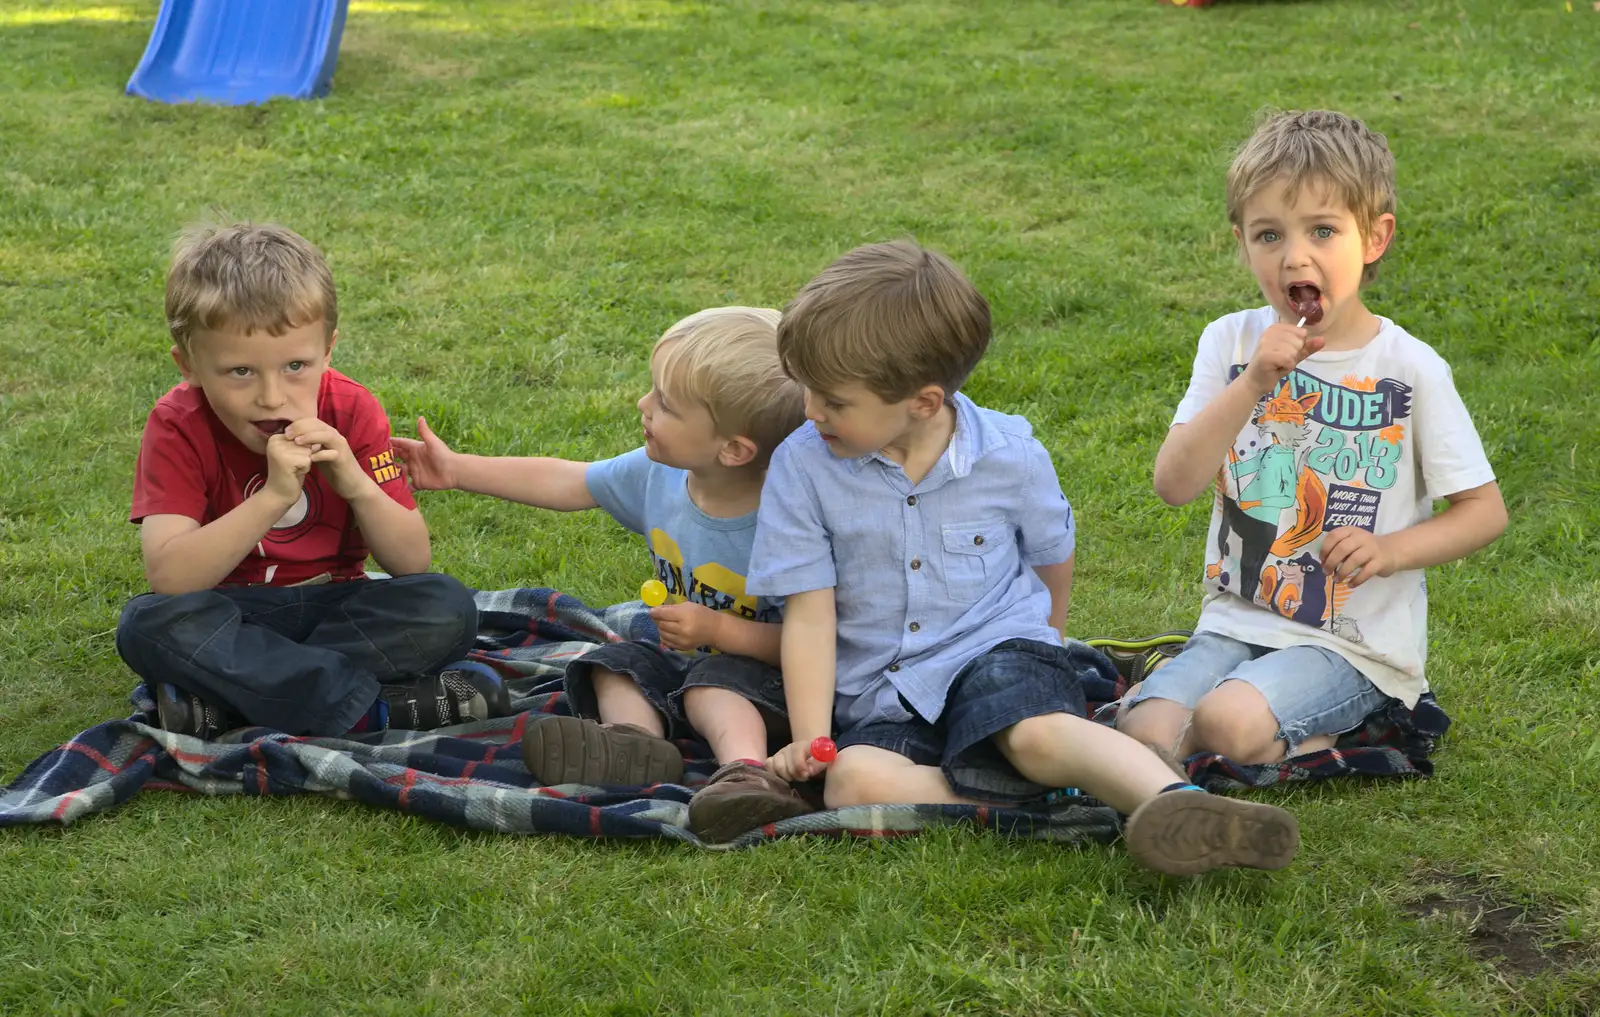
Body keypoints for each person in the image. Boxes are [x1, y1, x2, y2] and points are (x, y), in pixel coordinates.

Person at [745, 240, 1302, 875]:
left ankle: (1179, 805)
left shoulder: (1009, 455)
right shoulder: (801, 466)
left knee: (1035, 735)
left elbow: (1051, 557)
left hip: (996, 654)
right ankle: (1073, 804)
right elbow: (810, 615)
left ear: (923, 402)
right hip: (883, 692)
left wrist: (1051, 644)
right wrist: (813, 741)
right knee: (851, 782)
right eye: (808, 391)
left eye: (834, 401)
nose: (810, 410)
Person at [1118, 109, 1507, 769]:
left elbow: (1485, 511)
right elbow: (1173, 484)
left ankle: (1369, 717)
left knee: (1227, 724)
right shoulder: (1229, 343)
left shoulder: (1407, 369)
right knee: (1142, 733)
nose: (1294, 256)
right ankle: (1243, 750)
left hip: (1352, 645)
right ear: (1241, 242)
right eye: (1269, 234)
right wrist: (1252, 384)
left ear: (1374, 238)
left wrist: (1389, 549)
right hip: (1235, 620)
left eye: (1323, 230)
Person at [395, 307, 814, 842]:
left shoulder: (790, 522)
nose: (644, 405)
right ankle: (633, 745)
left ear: (732, 449)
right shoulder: (661, 474)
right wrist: (457, 471)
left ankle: (747, 776)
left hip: (776, 684)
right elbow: (571, 482)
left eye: (665, 403)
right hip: (688, 663)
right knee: (611, 662)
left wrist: (720, 632)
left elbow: (822, 642)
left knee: (714, 686)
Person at [117, 222, 506, 741]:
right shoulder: (177, 424)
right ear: (189, 365)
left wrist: (355, 481)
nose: (272, 396)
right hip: (233, 613)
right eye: (239, 372)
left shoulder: (351, 408)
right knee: (150, 625)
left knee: (446, 608)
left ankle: (235, 701)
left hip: (340, 605)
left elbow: (410, 563)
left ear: (330, 350)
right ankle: (377, 712)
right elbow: (170, 577)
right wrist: (275, 496)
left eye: (297, 365)